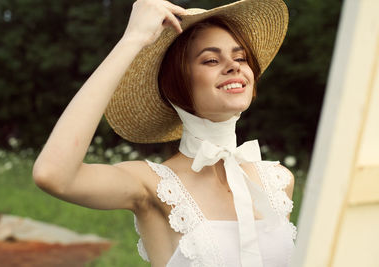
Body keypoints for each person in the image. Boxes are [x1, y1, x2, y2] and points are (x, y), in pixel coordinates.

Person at [33, 0, 297, 266]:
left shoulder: (278, 181)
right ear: (176, 84)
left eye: (241, 57)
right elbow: (53, 175)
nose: (233, 65)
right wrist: (132, 39)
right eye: (211, 60)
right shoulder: (152, 186)